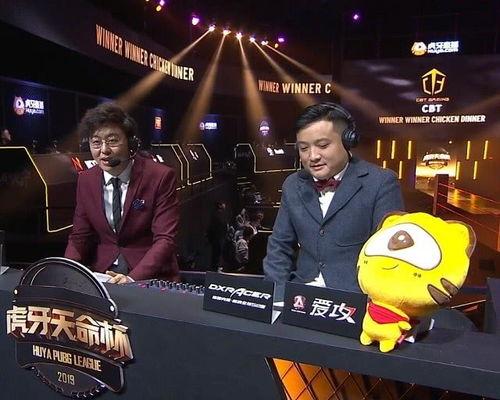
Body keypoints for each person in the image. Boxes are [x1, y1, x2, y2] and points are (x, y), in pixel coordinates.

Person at [263, 102, 404, 299]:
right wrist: (277, 297)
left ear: (347, 142)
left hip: (355, 298)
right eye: (304, 148)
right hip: (300, 295)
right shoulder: (293, 185)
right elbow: (279, 247)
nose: (312, 156)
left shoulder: (380, 182)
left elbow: (390, 255)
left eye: (323, 146)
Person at [65, 102, 179, 284]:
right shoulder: (86, 180)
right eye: (96, 142)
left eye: (112, 141)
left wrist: (132, 278)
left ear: (131, 143)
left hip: (149, 276)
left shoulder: (160, 176)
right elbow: (79, 236)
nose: (104, 150)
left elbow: (165, 239)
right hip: (104, 273)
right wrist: (66, 271)